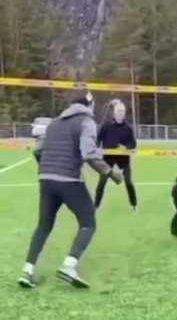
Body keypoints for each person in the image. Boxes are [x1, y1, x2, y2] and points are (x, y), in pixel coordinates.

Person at [18, 91, 123, 289]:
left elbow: (37, 150)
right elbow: (89, 154)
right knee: (88, 223)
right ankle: (69, 266)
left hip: (45, 178)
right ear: (89, 104)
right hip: (68, 179)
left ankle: (27, 271)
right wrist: (111, 173)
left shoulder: (54, 123)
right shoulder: (86, 121)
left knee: (44, 225)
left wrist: (48, 168)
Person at [95, 100, 137, 210]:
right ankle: (96, 205)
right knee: (102, 182)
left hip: (123, 159)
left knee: (128, 182)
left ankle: (134, 204)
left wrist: (126, 147)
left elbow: (133, 143)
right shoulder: (106, 126)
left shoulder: (128, 128)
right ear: (114, 112)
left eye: (122, 111)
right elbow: (98, 139)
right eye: (118, 111)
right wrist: (95, 150)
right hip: (108, 158)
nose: (121, 113)